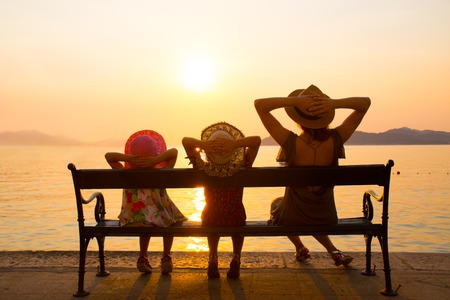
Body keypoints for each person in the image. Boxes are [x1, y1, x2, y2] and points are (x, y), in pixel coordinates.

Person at [254, 84, 371, 266]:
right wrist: (333, 103)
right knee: (309, 212)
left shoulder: (289, 141)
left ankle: (300, 247)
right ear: (325, 116)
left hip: (293, 216)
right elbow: (365, 103)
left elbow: (259, 105)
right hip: (325, 216)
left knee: (277, 204)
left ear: (297, 117)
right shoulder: (337, 138)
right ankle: (332, 251)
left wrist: (296, 102)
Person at [182, 122, 261, 278]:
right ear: (234, 152)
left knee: (211, 213)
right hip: (235, 215)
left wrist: (204, 144)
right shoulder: (243, 165)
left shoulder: (203, 167)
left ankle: (213, 258)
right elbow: (256, 141)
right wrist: (235, 144)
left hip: (211, 216)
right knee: (237, 215)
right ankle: (236, 258)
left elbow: (186, 141)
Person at [105, 129, 187, 274]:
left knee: (145, 218)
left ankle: (143, 256)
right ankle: (166, 256)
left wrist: (129, 159)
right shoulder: (161, 173)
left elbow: (108, 156)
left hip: (134, 218)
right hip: (161, 218)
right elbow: (173, 152)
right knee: (169, 219)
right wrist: (156, 160)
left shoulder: (125, 174)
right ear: (155, 155)